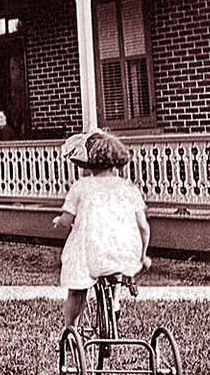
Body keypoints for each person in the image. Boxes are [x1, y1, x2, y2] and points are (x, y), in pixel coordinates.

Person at [52, 130, 151, 328]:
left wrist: (58, 222)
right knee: (116, 257)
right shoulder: (128, 188)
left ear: (90, 164)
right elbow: (143, 227)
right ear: (117, 163)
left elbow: (66, 220)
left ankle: (71, 328)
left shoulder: (82, 187)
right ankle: (114, 302)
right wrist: (143, 255)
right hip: (120, 253)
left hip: (90, 254)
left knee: (77, 288)